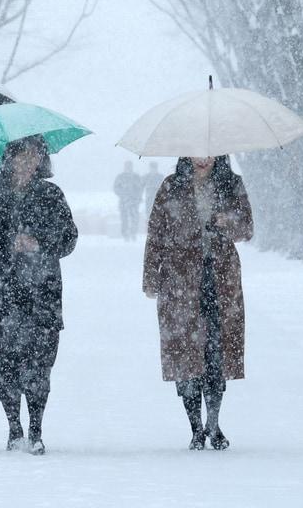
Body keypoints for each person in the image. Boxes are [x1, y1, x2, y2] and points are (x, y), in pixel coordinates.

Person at [0, 137, 77, 455]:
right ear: (9, 159)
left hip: (41, 294)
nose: (28, 163)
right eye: (21, 156)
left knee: (40, 366)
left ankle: (36, 429)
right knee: (6, 367)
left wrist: (39, 241)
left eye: (34, 156)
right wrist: (5, 240)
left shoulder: (51, 194)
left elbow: (69, 237)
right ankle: (14, 427)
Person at [142, 156, 253, 450]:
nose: (203, 159)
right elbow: (156, 234)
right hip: (179, 281)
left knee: (216, 354)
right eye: (196, 152)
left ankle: (213, 424)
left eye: (210, 152)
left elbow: (247, 229)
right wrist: (151, 277)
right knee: (185, 356)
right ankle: (195, 427)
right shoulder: (170, 187)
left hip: (221, 280)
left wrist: (229, 222)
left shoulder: (232, 185)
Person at [113, 161, 143, 241]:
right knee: (124, 218)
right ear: (124, 167)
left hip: (134, 202)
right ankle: (125, 234)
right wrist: (123, 194)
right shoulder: (120, 177)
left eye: (129, 167)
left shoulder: (136, 177)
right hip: (123, 201)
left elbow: (140, 189)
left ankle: (133, 233)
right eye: (127, 167)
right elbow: (116, 188)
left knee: (134, 219)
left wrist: (136, 197)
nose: (128, 169)